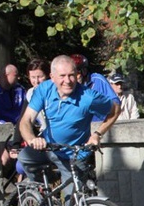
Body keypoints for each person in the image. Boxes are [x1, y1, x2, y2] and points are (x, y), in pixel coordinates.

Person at [18, 55, 119, 193]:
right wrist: (32, 139)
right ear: (52, 77)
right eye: (62, 76)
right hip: (48, 147)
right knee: (25, 157)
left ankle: (64, 202)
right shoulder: (44, 90)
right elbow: (26, 120)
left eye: (72, 75)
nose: (68, 81)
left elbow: (115, 109)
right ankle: (47, 190)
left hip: (74, 155)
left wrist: (97, 134)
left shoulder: (88, 97)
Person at [5, 59, 51, 179]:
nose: (36, 81)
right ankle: (39, 191)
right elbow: (23, 120)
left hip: (56, 137)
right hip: (42, 138)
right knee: (21, 165)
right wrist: (15, 145)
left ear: (48, 75)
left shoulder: (54, 90)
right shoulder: (31, 93)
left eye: (40, 77)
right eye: (33, 77)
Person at [70, 54, 121, 122]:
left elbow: (115, 101)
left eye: (77, 73)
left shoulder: (97, 80)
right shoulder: (68, 85)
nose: (75, 77)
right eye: (72, 75)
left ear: (84, 71)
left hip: (99, 124)